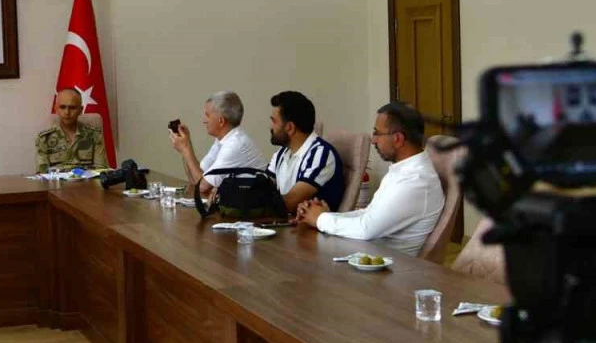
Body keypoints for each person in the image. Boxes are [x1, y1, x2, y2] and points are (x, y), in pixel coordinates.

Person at [297, 102, 444, 256]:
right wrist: (322, 215)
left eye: (377, 133)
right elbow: (370, 214)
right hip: (368, 253)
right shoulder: (405, 169)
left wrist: (320, 219)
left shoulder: (415, 181)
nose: (374, 140)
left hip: (389, 266)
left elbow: (366, 229)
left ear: (398, 139)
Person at [169, 91, 266, 199]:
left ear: (221, 121)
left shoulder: (235, 145)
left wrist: (185, 149)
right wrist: (186, 146)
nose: (203, 120)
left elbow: (202, 186)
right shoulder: (222, 139)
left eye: (207, 115)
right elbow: (195, 179)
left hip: (256, 206)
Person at [267, 91, 345, 214]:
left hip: (308, 226)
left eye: (274, 121)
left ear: (290, 127)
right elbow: (264, 187)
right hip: (281, 222)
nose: (271, 127)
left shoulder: (320, 154)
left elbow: (289, 203)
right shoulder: (281, 154)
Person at [35, 88, 108, 173]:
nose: (67, 112)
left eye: (72, 108)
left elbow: (101, 170)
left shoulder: (94, 135)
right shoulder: (44, 138)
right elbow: (42, 173)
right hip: (56, 181)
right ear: (56, 109)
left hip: (88, 181)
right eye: (62, 107)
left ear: (80, 110)